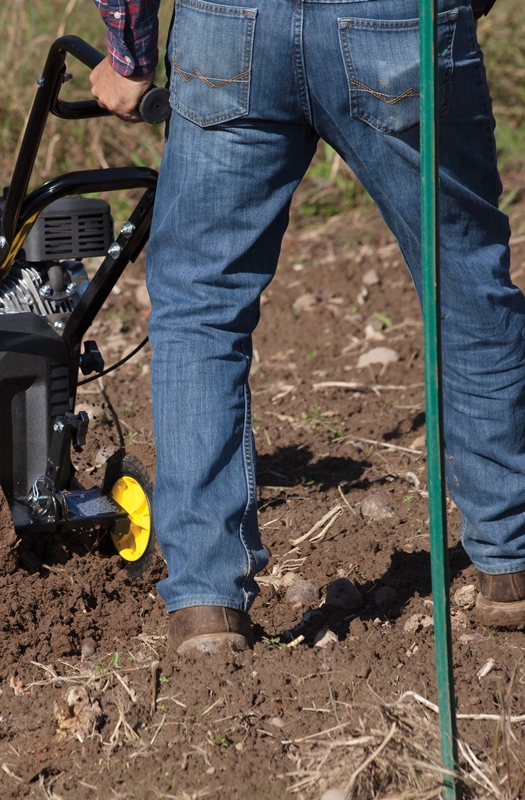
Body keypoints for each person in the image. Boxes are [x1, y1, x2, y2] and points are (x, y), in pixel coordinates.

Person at [90, 0, 525, 654]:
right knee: (463, 283)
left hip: (229, 26)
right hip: (394, 23)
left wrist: (128, 52)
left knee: (201, 302)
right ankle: (510, 563)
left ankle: (207, 601)